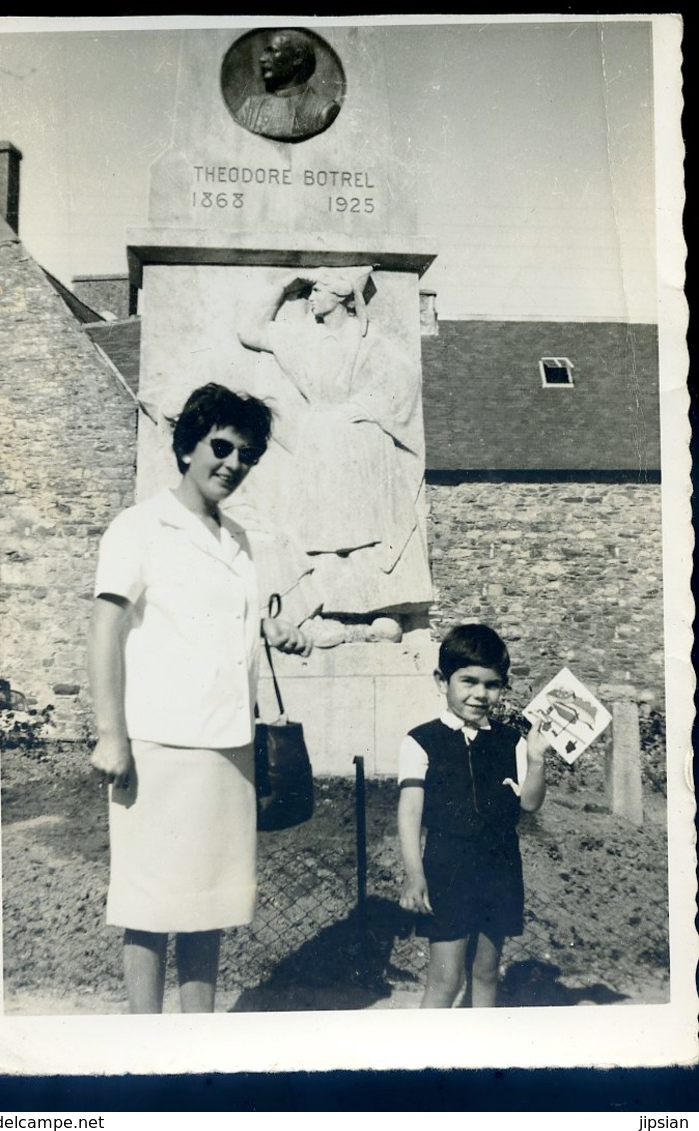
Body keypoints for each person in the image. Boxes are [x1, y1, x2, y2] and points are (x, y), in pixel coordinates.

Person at [87, 382, 311, 1013]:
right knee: (152, 904)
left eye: (246, 455)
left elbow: (214, 618)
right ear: (187, 446)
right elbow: (105, 628)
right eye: (222, 446)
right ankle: (147, 1049)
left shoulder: (237, 539)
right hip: (161, 745)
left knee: (208, 903)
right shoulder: (139, 527)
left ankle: (196, 1043)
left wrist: (269, 628)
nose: (233, 464)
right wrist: (112, 734)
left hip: (230, 747)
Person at [237, 267, 432, 644]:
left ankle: (384, 611)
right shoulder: (300, 340)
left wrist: (368, 406)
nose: (311, 298)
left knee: (373, 530)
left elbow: (405, 380)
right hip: (320, 438)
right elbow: (249, 329)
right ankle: (323, 609)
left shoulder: (368, 341)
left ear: (341, 298)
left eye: (318, 291)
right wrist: (283, 286)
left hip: (362, 441)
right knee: (321, 530)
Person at [397, 624, 550, 1008]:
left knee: (485, 972)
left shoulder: (511, 740)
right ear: (441, 680)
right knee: (445, 979)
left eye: (492, 685)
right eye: (468, 681)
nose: (480, 694)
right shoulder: (421, 740)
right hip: (447, 869)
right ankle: (421, 1064)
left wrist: (536, 759)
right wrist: (415, 874)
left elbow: (530, 803)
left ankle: (484, 1058)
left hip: (499, 870)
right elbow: (410, 811)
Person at [235, 29, 340, 142]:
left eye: (273, 51)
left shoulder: (324, 111)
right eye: (265, 52)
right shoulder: (251, 107)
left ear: (297, 57)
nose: (262, 59)